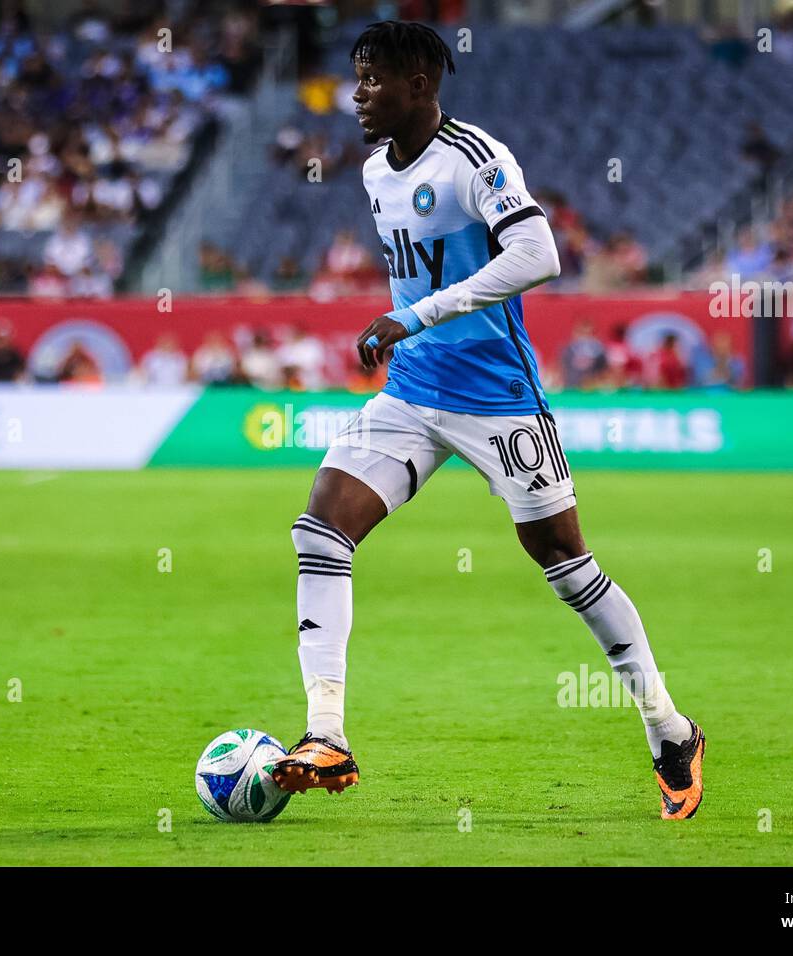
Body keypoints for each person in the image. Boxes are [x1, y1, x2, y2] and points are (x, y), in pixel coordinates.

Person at [271, 21, 704, 821]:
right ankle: (324, 734)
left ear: (421, 87)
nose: (358, 95)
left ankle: (669, 729)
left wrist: (418, 314)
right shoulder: (374, 174)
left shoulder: (477, 160)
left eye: (373, 80)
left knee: (567, 565)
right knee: (320, 530)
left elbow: (539, 256)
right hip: (409, 394)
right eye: (356, 78)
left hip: (498, 399)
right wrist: (411, 331)